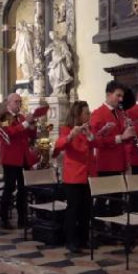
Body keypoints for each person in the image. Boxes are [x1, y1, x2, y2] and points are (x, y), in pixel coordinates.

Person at [52, 101, 100, 253]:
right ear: (78, 115)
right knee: (73, 210)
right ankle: (71, 241)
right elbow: (58, 146)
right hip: (74, 176)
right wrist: (71, 135)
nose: (89, 115)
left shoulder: (88, 129)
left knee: (86, 210)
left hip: (88, 175)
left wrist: (90, 135)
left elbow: (97, 144)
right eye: (86, 113)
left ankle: (84, 239)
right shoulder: (67, 129)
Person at [0, 93, 37, 230]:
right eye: (16, 101)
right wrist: (26, 123)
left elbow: (30, 135)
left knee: (23, 189)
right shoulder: (4, 117)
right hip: (10, 158)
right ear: (8, 103)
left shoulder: (21, 117)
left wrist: (32, 125)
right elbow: (8, 132)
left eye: (20, 101)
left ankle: (22, 218)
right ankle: (3, 218)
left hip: (23, 157)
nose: (19, 104)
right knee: (9, 188)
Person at [90, 81, 137, 177]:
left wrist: (129, 132)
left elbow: (125, 139)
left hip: (122, 163)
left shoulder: (121, 113)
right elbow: (95, 141)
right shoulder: (97, 114)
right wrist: (121, 137)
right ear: (108, 95)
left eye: (122, 96)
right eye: (118, 95)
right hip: (107, 165)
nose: (121, 99)